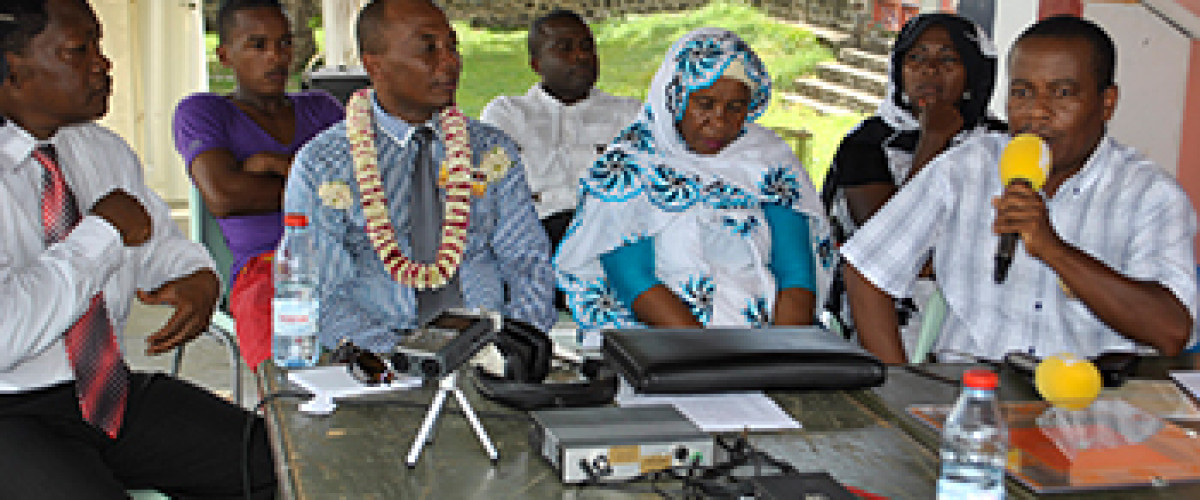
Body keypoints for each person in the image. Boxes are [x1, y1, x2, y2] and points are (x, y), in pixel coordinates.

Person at [0, 0, 276, 497]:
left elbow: (157, 245)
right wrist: (101, 232)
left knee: (272, 463)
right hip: (12, 410)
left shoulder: (99, 150)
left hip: (107, 392)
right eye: (78, 51)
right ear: (13, 68)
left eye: (99, 46)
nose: (103, 64)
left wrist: (197, 276)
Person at [842, 16, 1197, 364]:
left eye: (1062, 93)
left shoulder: (1150, 195)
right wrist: (897, 387)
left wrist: (1052, 249)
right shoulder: (968, 167)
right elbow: (867, 270)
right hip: (972, 395)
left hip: (1091, 404)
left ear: (1107, 103)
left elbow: (1170, 331)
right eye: (1022, 93)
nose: (1037, 113)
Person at [284, 0, 556, 353]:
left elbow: (527, 260)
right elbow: (321, 292)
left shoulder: (491, 150)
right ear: (374, 65)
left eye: (452, 46)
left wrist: (518, 343)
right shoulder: (324, 165)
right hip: (378, 355)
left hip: (489, 348)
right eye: (429, 48)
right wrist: (400, 362)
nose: (451, 62)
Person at [555, 28, 834, 332]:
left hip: (767, 347)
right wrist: (710, 363)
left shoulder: (767, 160)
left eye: (735, 107)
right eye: (704, 103)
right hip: (668, 349)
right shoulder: (631, 166)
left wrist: (782, 359)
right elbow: (633, 280)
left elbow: (795, 274)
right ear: (675, 96)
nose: (719, 121)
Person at [820, 13, 1005, 357]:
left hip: (980, 308)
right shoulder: (866, 143)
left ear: (974, 72)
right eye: (915, 57)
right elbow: (887, 243)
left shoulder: (1000, 145)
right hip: (882, 318)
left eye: (948, 59)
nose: (929, 70)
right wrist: (933, 141)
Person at [172, 0, 343, 370]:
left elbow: (362, 190)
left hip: (344, 259)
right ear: (225, 55)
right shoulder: (204, 113)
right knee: (291, 387)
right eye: (258, 45)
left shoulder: (322, 109)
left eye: (284, 43)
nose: (276, 57)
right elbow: (225, 196)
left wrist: (273, 164)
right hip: (270, 271)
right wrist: (320, 187)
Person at [480, 9, 641, 251]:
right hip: (533, 239)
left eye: (587, 46)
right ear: (536, 64)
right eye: (565, 48)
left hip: (611, 238)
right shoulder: (508, 115)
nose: (581, 56)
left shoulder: (629, 114)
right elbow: (488, 186)